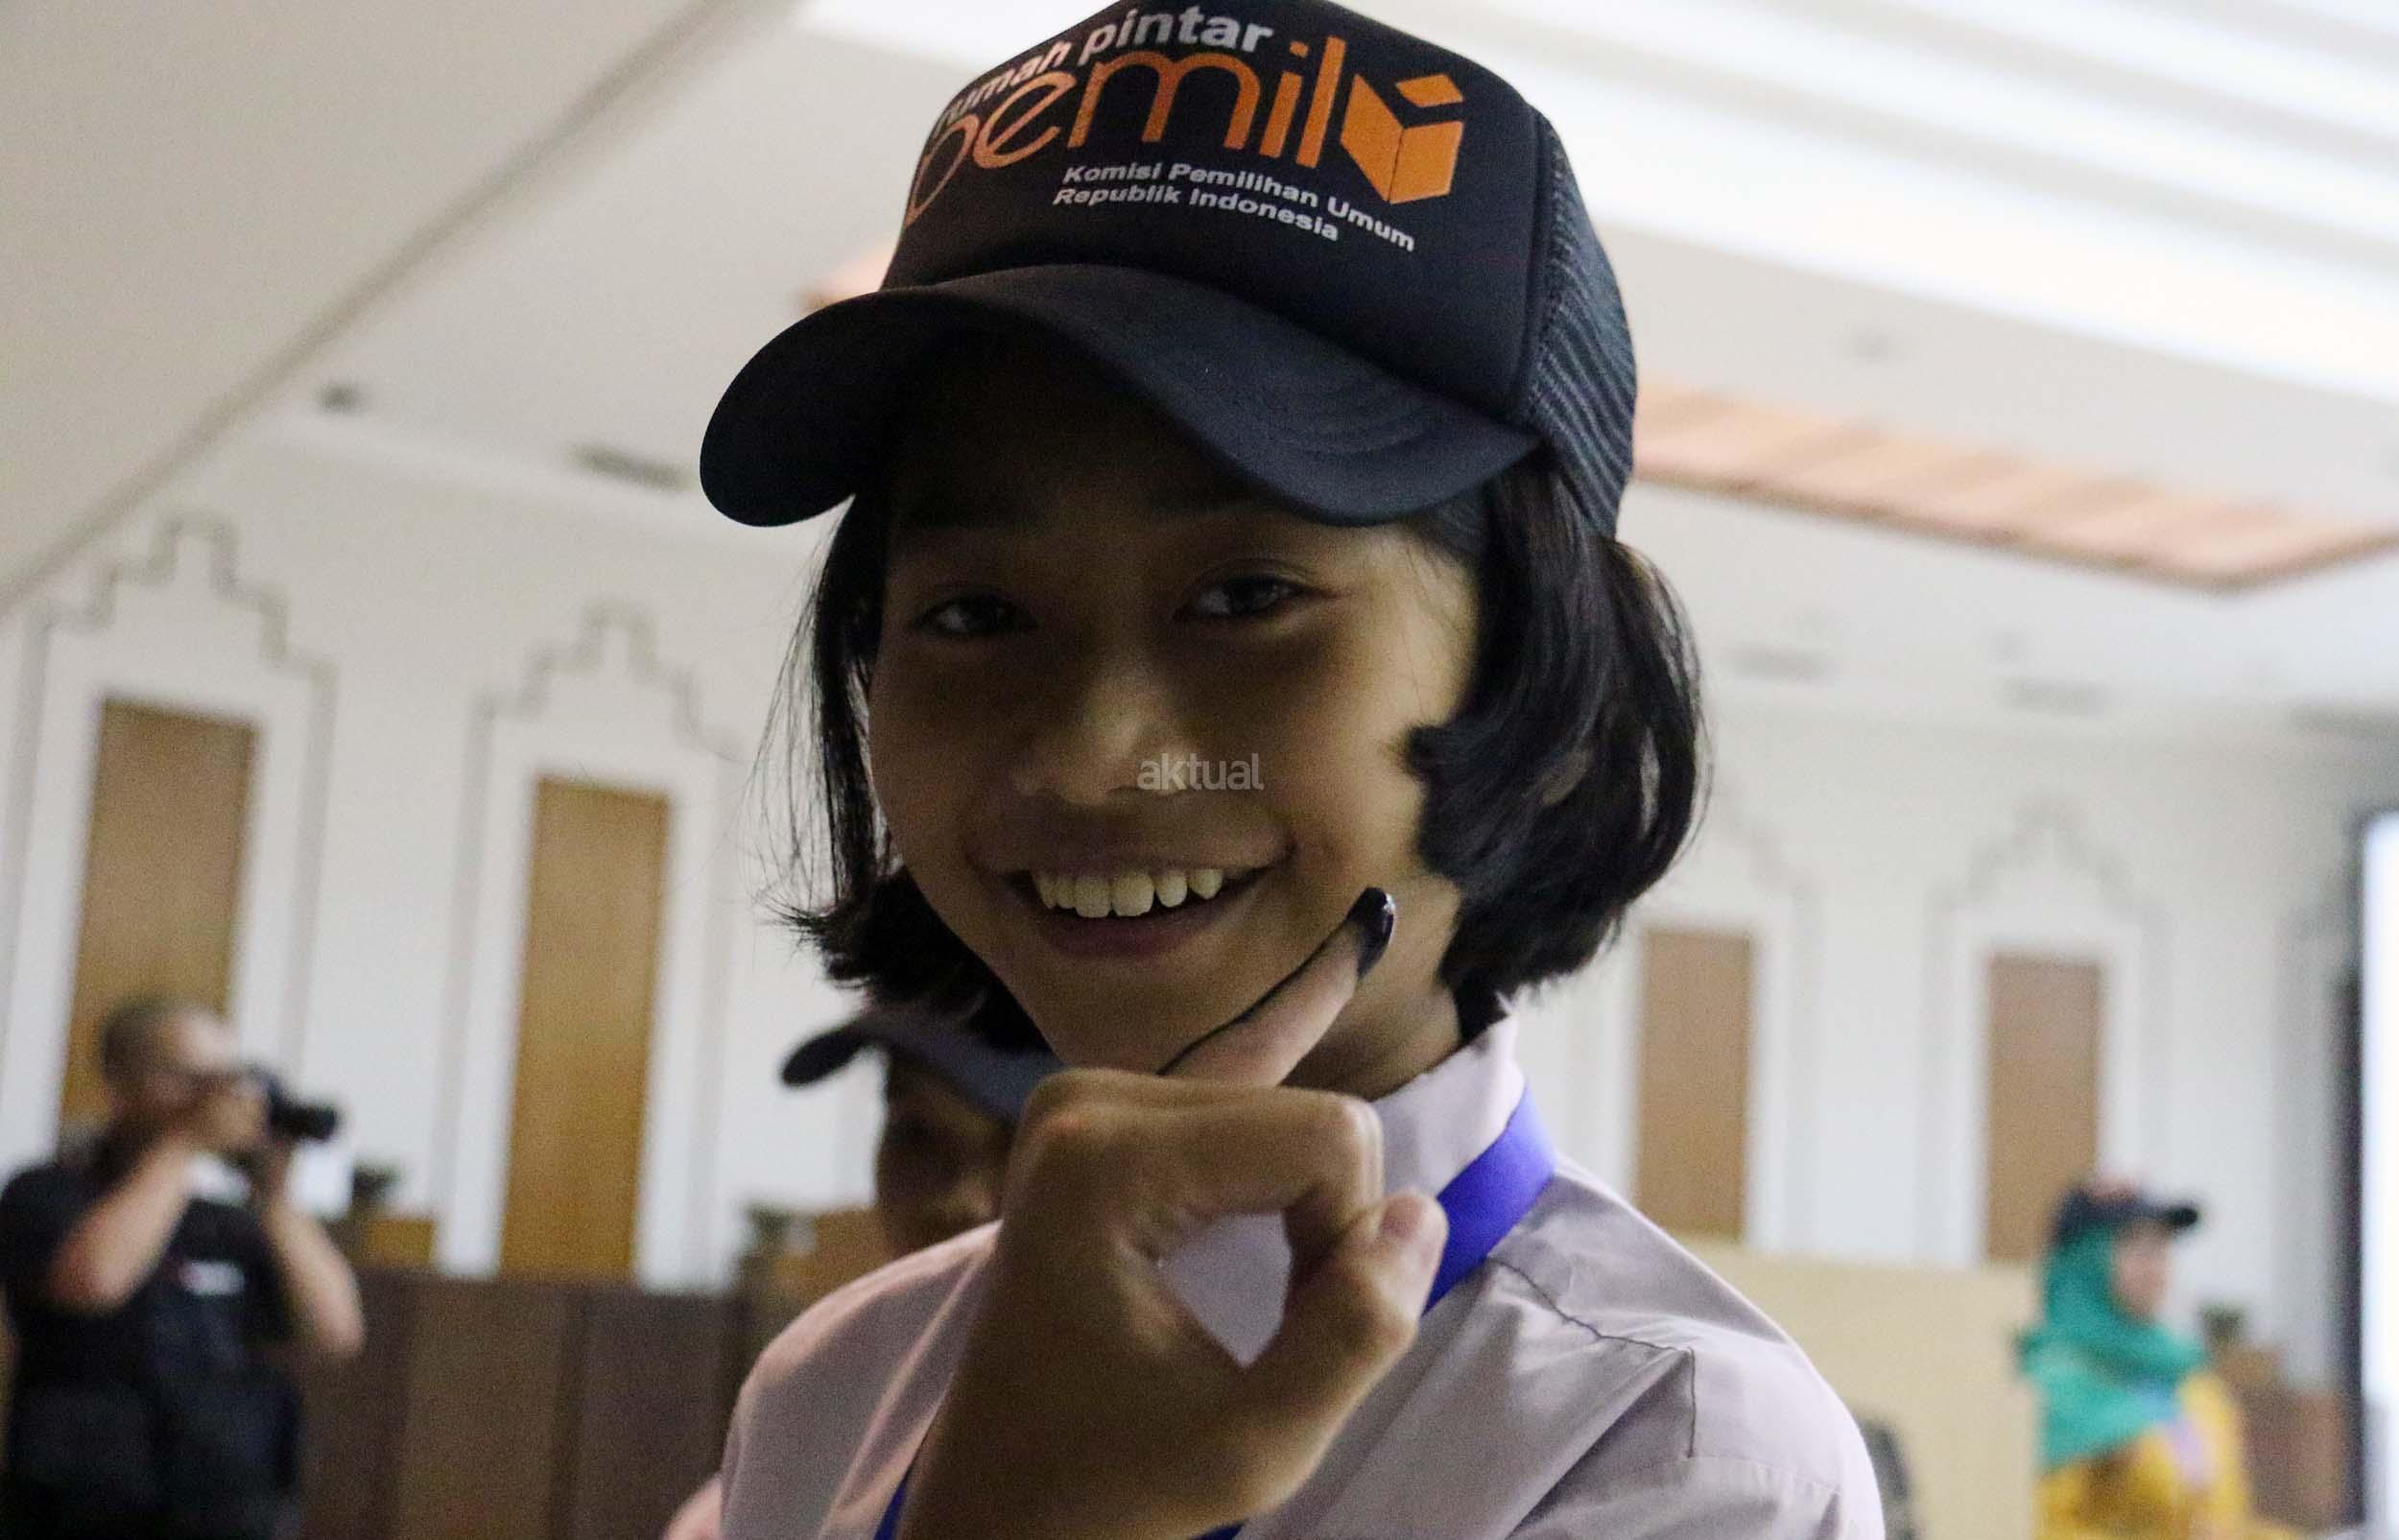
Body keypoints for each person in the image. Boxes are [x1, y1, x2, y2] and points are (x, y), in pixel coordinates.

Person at [701, 0, 1883, 1533]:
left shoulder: (1670, 1443)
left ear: (1554, 680)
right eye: (975, 615)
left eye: (1244, 597)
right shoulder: (835, 1382)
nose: (1092, 757)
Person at [661, 994, 1061, 1540]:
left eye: (1023, 1146)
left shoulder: (1158, 1458)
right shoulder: (774, 1468)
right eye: (918, 1135)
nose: (963, 1201)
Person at [0, 997, 364, 1540]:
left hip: (228, 1498)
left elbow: (335, 1332)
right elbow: (95, 1282)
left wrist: (275, 1195)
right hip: (88, 1499)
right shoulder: (46, 1193)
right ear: (121, 1084)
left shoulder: (229, 1221)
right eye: (192, 1080)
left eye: (227, 1081)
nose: (216, 1100)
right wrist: (186, 1143)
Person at [2021, 1180, 2296, 1540]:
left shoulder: (2192, 1382)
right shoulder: (2055, 1386)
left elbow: (2226, 1518)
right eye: (2135, 1247)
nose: (2155, 1266)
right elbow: (2042, 1525)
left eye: (2161, 1248)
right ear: (2086, 1261)